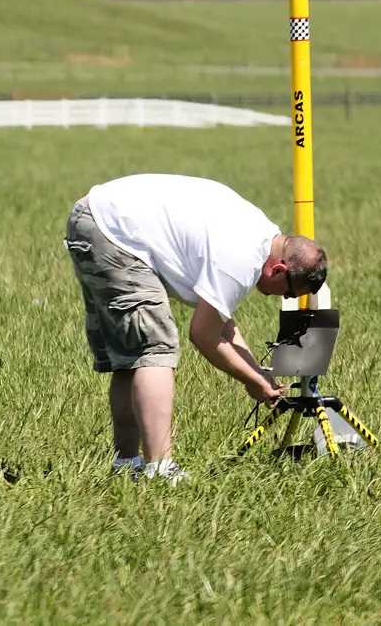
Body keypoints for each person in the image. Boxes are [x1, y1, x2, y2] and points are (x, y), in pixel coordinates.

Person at [64, 173, 327, 484]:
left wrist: (257, 371)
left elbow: (221, 324)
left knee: (132, 355)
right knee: (154, 350)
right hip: (113, 234)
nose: (280, 297)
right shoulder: (242, 259)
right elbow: (203, 334)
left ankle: (127, 465)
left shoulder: (259, 233)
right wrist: (251, 381)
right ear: (279, 269)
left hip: (99, 219)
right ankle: (160, 470)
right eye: (287, 291)